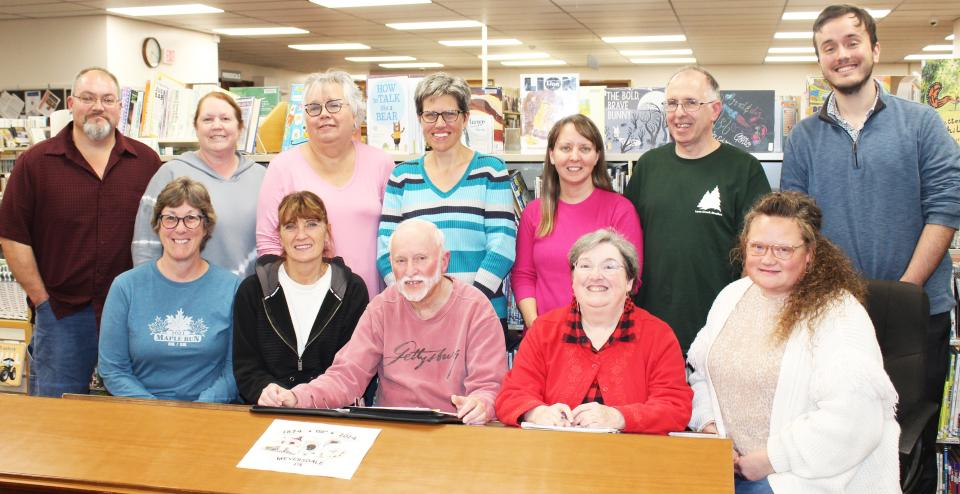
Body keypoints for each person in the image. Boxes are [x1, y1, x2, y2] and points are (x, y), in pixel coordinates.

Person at [781, 6, 960, 489]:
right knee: (836, 437)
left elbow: (946, 207)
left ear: (875, 49)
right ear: (820, 59)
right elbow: (796, 224)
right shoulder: (803, 137)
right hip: (831, 315)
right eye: (829, 47)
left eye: (852, 42)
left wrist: (903, 292)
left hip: (918, 313)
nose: (843, 55)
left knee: (907, 439)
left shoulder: (921, 124)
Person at [687, 191, 900, 493]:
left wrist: (770, 459)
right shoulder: (731, 296)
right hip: (728, 466)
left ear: (810, 253)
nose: (768, 259)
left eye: (784, 250)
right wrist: (708, 424)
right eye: (758, 246)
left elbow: (855, 418)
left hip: (802, 477)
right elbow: (701, 375)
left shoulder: (836, 313)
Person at [0, 67, 161, 397]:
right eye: (88, 98)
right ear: (71, 103)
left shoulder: (146, 163)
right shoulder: (35, 163)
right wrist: (41, 300)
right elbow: (13, 236)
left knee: (133, 413)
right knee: (56, 418)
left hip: (131, 313)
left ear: (119, 107)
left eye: (106, 99)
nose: (98, 106)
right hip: (62, 314)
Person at [274, 219, 506, 425]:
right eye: (401, 261)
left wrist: (481, 405)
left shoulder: (476, 308)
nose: (410, 271)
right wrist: (297, 397)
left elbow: (489, 386)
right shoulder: (382, 307)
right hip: (390, 428)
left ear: (444, 261)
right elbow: (346, 376)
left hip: (454, 430)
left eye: (421, 259)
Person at [623, 65, 770, 352]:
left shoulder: (744, 169)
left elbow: (759, 251)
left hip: (719, 327)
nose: (679, 113)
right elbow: (627, 244)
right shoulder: (649, 167)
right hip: (651, 328)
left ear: (715, 110)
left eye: (691, 102)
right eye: (672, 103)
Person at [496, 229, 690, 434]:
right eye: (585, 265)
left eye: (609, 266)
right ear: (572, 279)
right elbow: (511, 395)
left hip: (634, 460)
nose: (596, 276)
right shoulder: (544, 330)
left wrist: (619, 417)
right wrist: (536, 412)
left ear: (630, 281)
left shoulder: (658, 335)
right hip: (555, 457)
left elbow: (675, 407)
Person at [376, 72, 516, 321]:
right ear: (420, 119)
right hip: (417, 314)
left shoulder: (490, 171)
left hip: (481, 313)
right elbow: (386, 250)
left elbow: (502, 245)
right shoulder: (402, 177)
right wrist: (416, 298)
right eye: (430, 115)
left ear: (465, 118)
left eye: (450, 114)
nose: (440, 124)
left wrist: (465, 304)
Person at [98, 178, 240, 403]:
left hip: (210, 415)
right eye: (170, 218)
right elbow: (113, 370)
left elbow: (235, 370)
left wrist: (198, 410)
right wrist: (155, 411)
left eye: (191, 218)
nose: (180, 228)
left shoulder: (232, 288)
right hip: (141, 412)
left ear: (206, 226)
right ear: (157, 225)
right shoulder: (126, 287)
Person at [257, 69, 394, 299]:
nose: (323, 114)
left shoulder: (381, 164)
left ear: (355, 113)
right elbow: (268, 242)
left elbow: (395, 237)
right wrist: (286, 297)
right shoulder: (282, 167)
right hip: (304, 304)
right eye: (314, 108)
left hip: (372, 305)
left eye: (334, 105)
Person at [233, 191, 369, 405]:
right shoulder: (252, 291)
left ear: (327, 231)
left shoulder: (352, 290)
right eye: (290, 226)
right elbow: (246, 366)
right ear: (279, 236)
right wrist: (265, 390)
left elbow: (352, 368)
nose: (301, 235)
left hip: (330, 410)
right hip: (271, 409)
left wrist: (303, 398)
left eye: (312, 224)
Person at [511, 114, 643, 327]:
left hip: (604, 337)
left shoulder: (620, 210)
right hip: (545, 339)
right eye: (566, 148)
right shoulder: (534, 213)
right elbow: (523, 276)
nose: (575, 157)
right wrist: (536, 327)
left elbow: (631, 281)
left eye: (584, 148)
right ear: (552, 155)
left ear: (597, 156)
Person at [132, 92, 265, 277]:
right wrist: (148, 290)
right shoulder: (170, 173)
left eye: (225, 118)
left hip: (250, 297)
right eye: (208, 119)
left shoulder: (262, 177)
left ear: (240, 127)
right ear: (195, 127)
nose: (217, 126)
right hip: (185, 296)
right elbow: (145, 246)